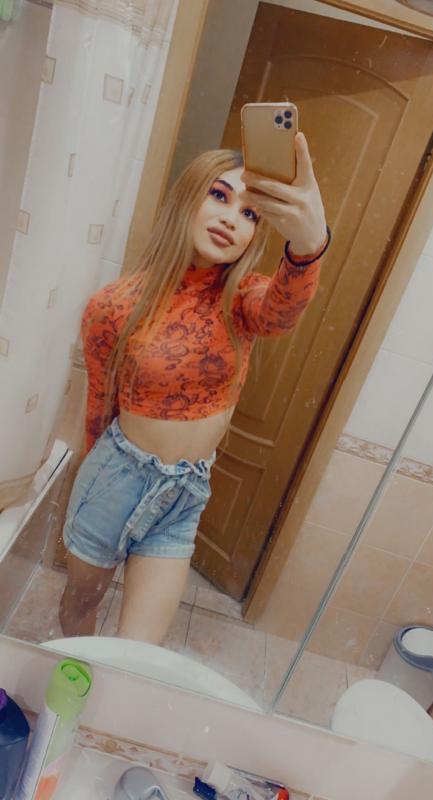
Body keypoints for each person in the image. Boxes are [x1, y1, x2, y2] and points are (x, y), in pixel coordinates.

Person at [59, 131, 330, 644]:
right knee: (79, 607)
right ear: (187, 198)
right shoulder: (113, 305)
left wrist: (308, 243)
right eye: (219, 196)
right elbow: (98, 406)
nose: (231, 218)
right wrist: (89, 485)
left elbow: (282, 310)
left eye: (250, 214)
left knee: (140, 653)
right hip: (114, 479)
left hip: (184, 493)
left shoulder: (243, 300)